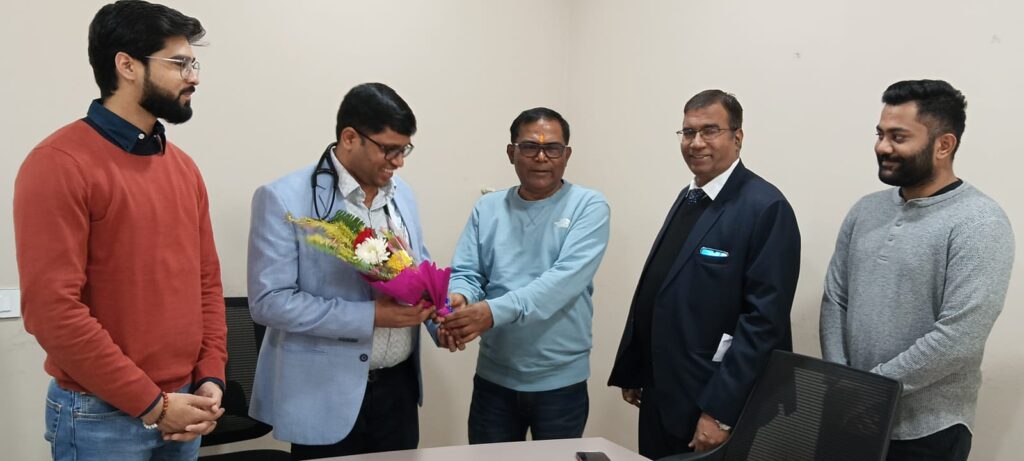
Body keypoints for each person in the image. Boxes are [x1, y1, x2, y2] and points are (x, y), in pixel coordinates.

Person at [13, 1, 225, 459]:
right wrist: (152, 404)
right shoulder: (59, 164)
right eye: (179, 63)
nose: (193, 77)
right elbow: (52, 312)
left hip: (186, 403)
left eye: (194, 63)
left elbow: (206, 283)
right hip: (100, 415)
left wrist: (211, 375)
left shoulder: (183, 168)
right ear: (126, 65)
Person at [820, 79, 1014, 461]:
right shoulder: (865, 210)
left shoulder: (981, 222)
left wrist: (871, 389)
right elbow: (835, 299)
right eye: (880, 134)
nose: (882, 147)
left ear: (944, 145)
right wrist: (843, 380)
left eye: (898, 137)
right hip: (848, 417)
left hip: (927, 433)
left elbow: (959, 337)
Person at [247, 82, 439, 459]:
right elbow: (270, 303)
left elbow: (417, 269)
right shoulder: (284, 198)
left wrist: (440, 314)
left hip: (398, 392)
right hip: (324, 392)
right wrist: (371, 316)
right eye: (389, 149)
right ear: (350, 138)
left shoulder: (403, 195)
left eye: (404, 150)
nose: (399, 161)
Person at [607, 90, 801, 459]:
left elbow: (764, 323)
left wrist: (721, 412)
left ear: (737, 137)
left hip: (709, 399)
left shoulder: (766, 207)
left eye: (710, 131)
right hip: (661, 388)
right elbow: (660, 286)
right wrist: (635, 366)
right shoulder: (691, 195)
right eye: (688, 132)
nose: (696, 142)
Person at [443, 107, 611, 443]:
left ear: (567, 155)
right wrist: (458, 299)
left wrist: (491, 312)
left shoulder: (589, 206)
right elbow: (467, 272)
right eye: (530, 147)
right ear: (511, 153)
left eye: (553, 148)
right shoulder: (488, 208)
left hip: (561, 384)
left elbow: (561, 282)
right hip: (494, 380)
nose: (542, 157)